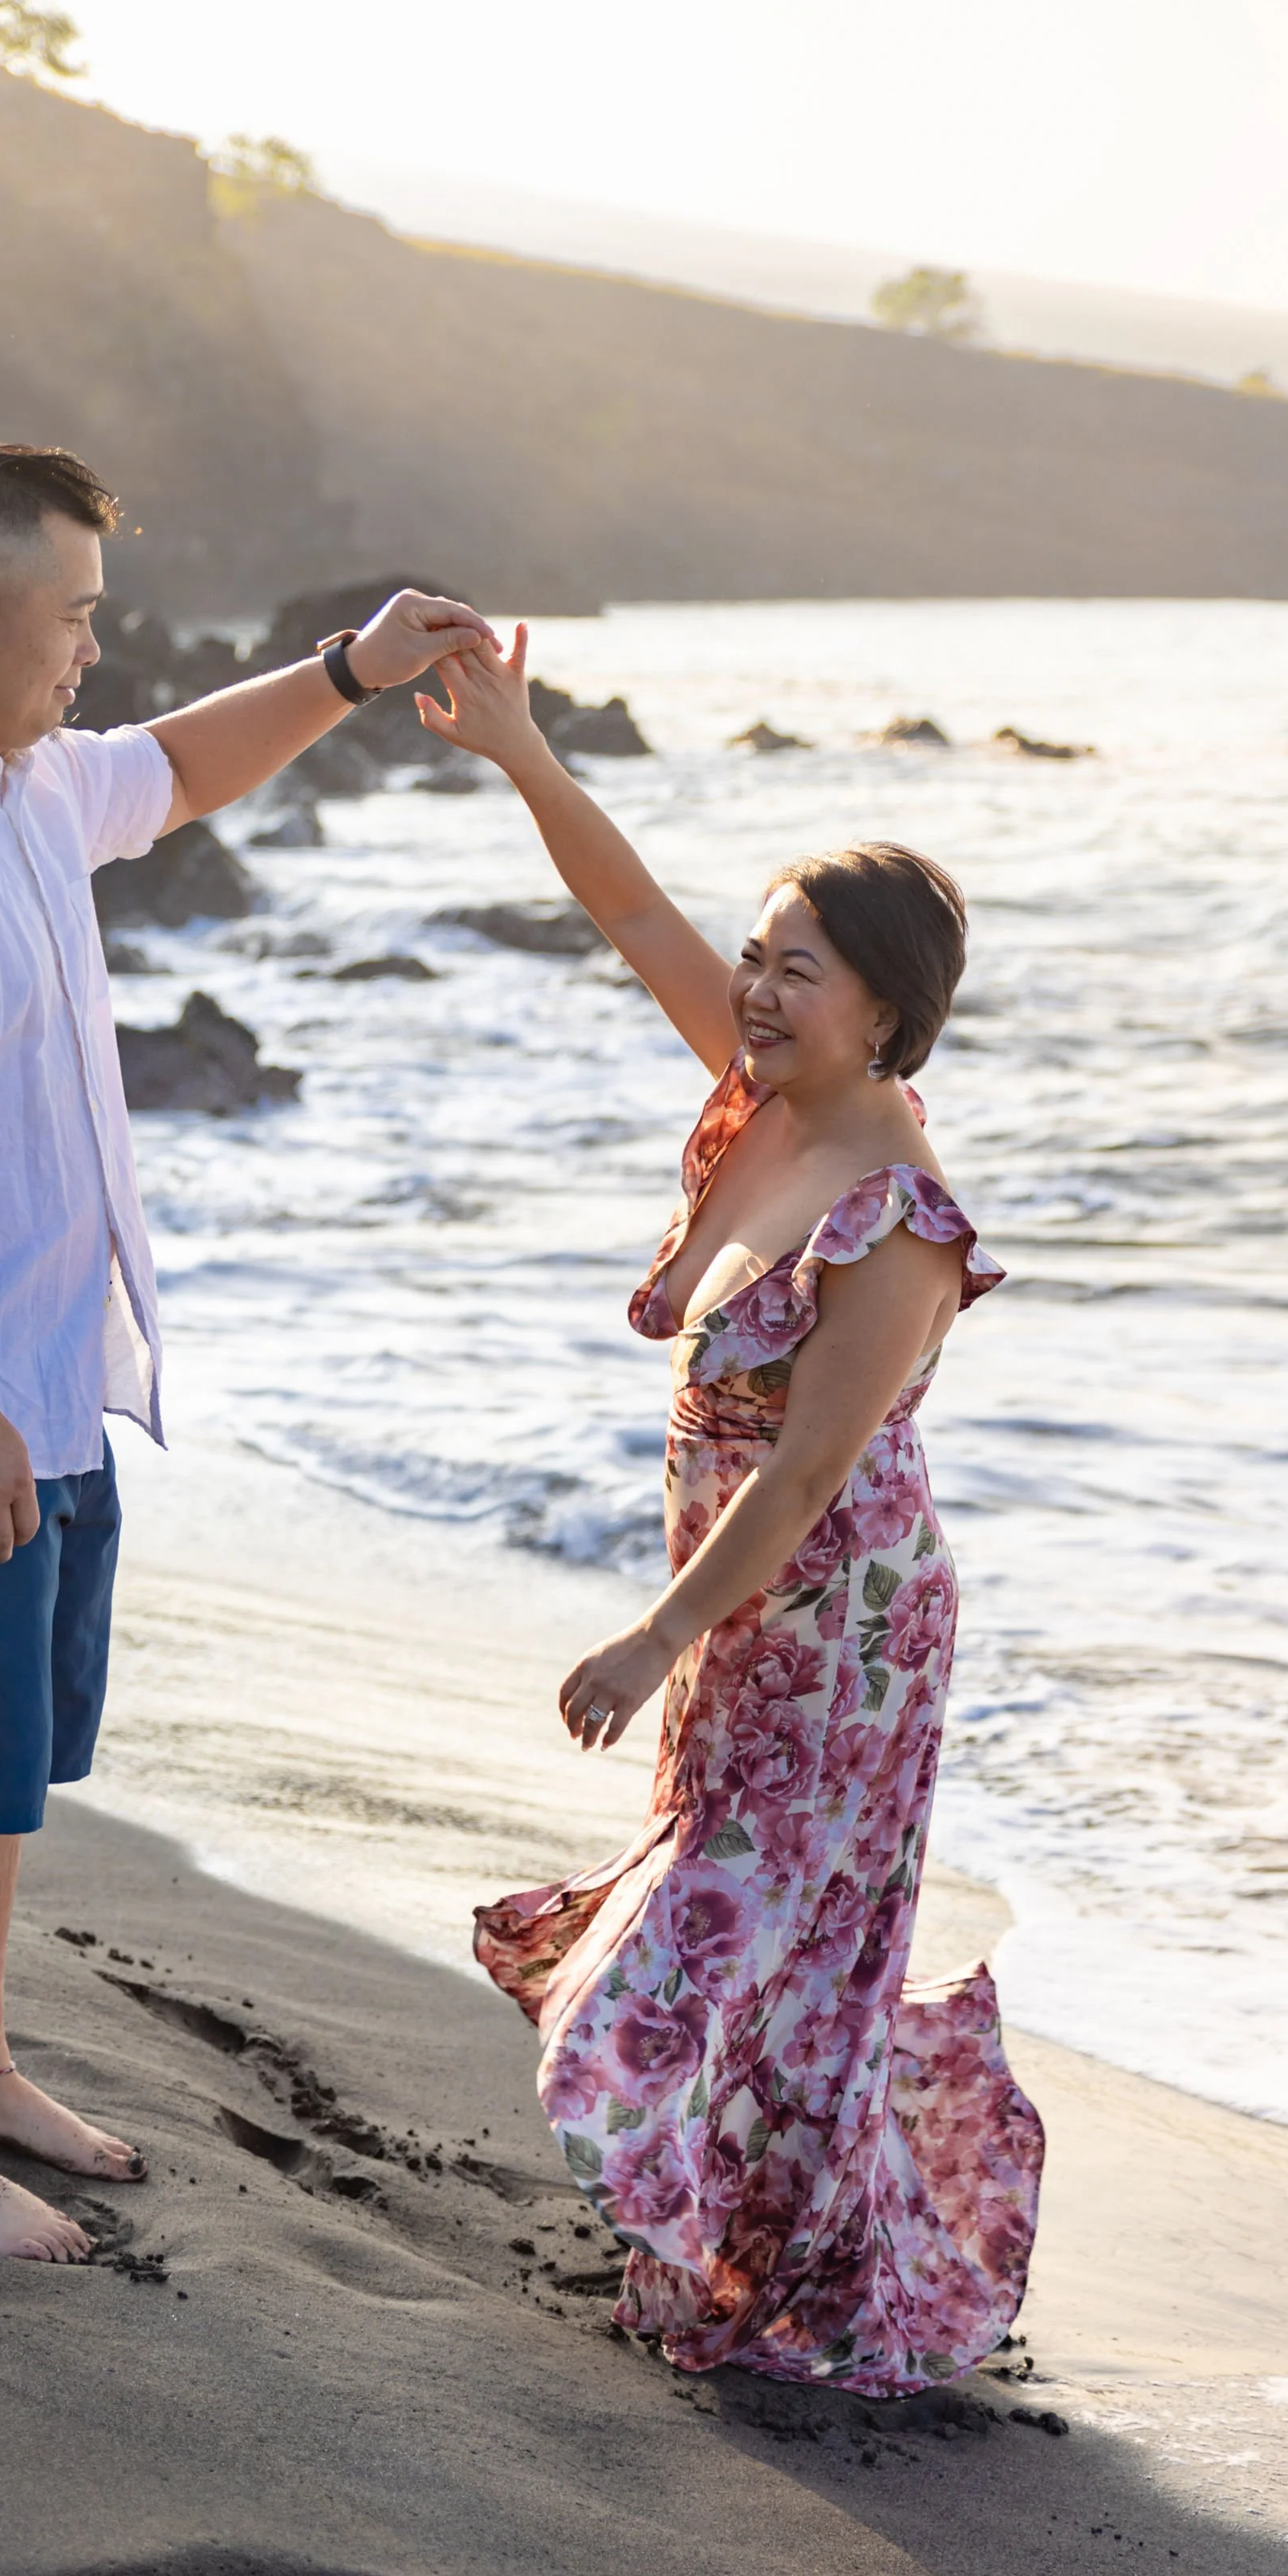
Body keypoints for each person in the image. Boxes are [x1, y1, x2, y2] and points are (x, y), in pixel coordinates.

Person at [0, 441, 495, 2262]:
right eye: (76, 615)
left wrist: (348, 670)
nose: (98, 648)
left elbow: (172, 774)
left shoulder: (8, 782)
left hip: (32, 1385)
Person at [427, 629, 1043, 2393]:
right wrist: (528, 755)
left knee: (739, 1948)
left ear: (887, 1012)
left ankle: (799, 2269)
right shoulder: (770, 1097)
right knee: (749, 1940)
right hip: (746, 1612)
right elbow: (632, 916)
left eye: (801, 974)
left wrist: (655, 1631)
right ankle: (738, 2257)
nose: (759, 995)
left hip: (836, 1631)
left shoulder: (898, 1214)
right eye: (760, 960)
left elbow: (808, 1472)